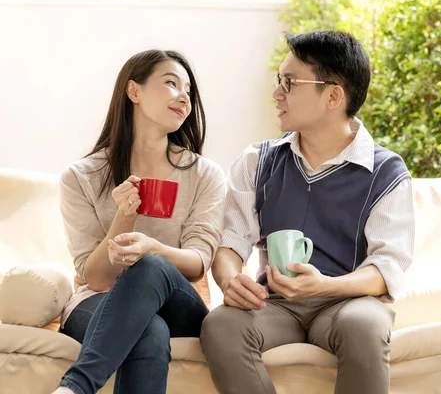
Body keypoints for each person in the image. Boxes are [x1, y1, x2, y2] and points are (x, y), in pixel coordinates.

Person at [200, 30, 415, 394]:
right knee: (221, 324)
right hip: (274, 306)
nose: (276, 93)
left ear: (333, 95)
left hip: (347, 303)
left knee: (365, 325)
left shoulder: (387, 173)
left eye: (289, 82)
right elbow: (230, 243)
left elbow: (388, 266)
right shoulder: (258, 161)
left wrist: (326, 286)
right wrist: (231, 281)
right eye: (278, 80)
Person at [53, 49, 225, 394]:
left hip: (178, 301)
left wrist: (154, 250)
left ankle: (74, 387)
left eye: (188, 91)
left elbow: (198, 262)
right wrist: (125, 217)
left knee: (149, 266)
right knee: (149, 331)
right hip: (96, 300)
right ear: (134, 92)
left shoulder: (204, 174)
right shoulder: (81, 177)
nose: (183, 97)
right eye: (171, 83)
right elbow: (98, 278)